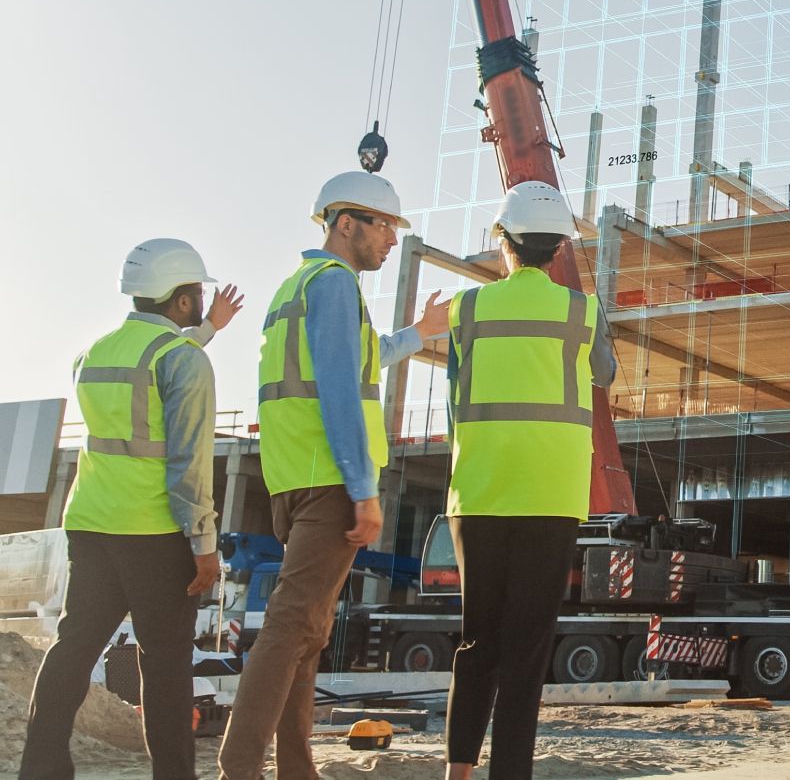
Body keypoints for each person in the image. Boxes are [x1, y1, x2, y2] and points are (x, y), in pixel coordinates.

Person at [218, 170, 450, 780]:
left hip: (294, 479)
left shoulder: (298, 287)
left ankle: (297, 769)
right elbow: (342, 392)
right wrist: (363, 489)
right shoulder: (335, 285)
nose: (392, 241)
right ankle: (238, 768)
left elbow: (359, 358)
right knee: (293, 625)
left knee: (310, 630)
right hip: (329, 482)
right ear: (346, 224)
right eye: (384, 227)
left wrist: (418, 336)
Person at [20, 238, 242, 780]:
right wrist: (205, 546)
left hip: (92, 526)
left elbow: (150, 369)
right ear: (182, 300)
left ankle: (41, 768)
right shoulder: (183, 361)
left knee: (74, 647)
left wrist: (206, 330)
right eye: (197, 293)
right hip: (154, 532)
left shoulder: (91, 354)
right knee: (164, 665)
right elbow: (190, 465)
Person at [444, 181, 615, 780]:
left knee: (477, 641)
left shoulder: (466, 310)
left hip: (480, 492)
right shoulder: (581, 311)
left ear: (505, 243)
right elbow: (605, 372)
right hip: (550, 495)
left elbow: (454, 391)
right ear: (559, 248)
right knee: (525, 652)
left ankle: (456, 772)